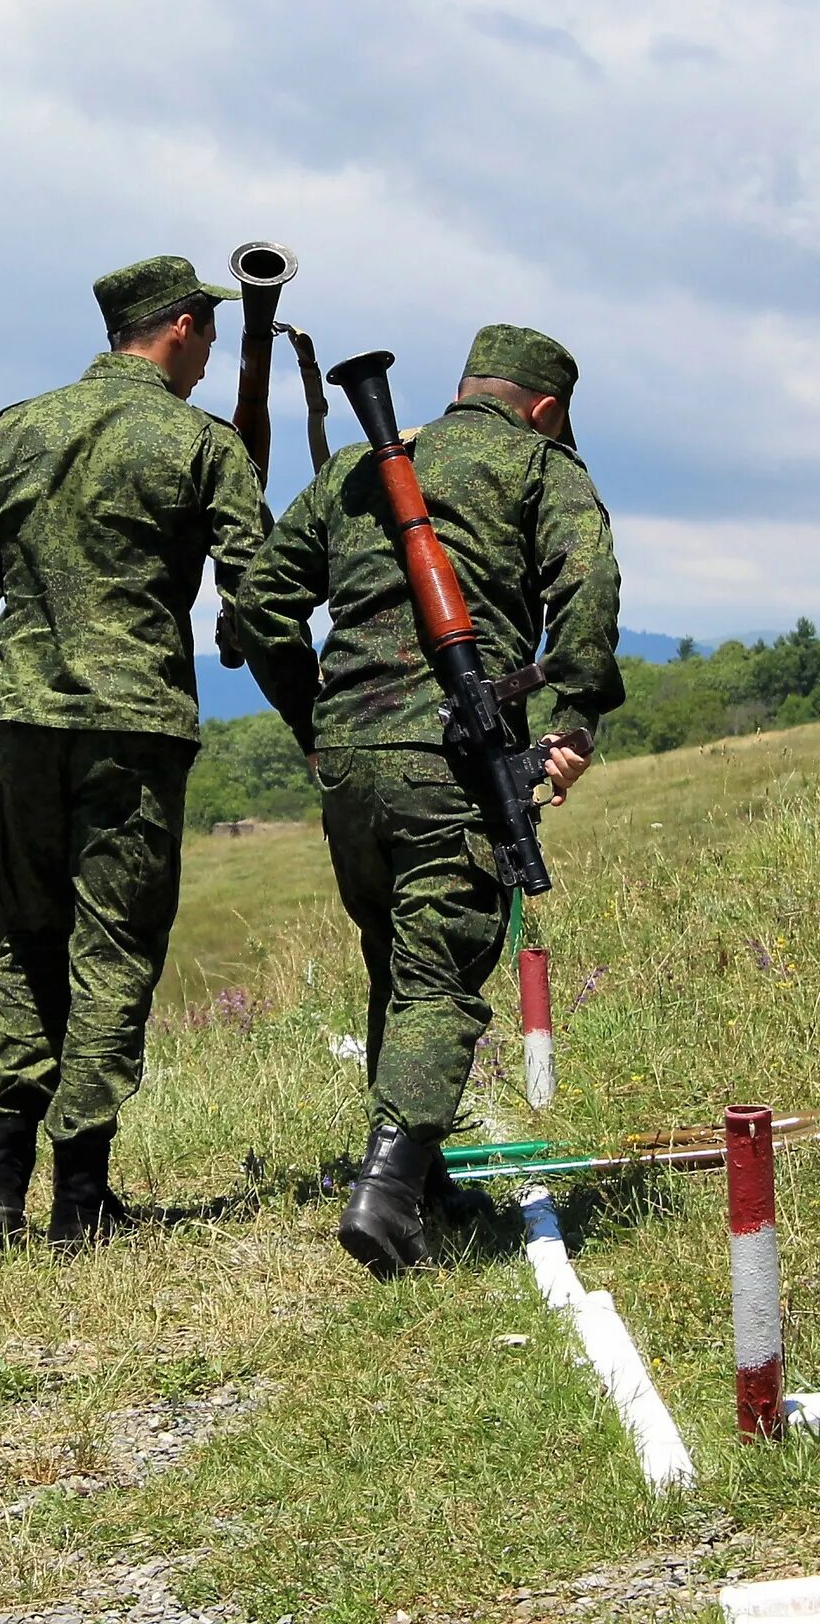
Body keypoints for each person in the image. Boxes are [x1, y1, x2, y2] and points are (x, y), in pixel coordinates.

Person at [228, 323, 621, 1276]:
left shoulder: (360, 466)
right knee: (441, 969)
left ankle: (424, 1167)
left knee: (396, 961)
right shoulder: (540, 467)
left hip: (354, 763)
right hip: (450, 759)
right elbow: (589, 587)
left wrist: (312, 718)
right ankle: (389, 1197)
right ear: (548, 408)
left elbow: (254, 606)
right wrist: (567, 727)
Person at [0, 258, 270, 1248]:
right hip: (135, 725)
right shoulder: (201, 442)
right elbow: (262, 589)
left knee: (26, 942)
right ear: (185, 329)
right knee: (111, 950)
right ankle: (81, 1193)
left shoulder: (8, 433)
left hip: (20, 725)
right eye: (207, 338)